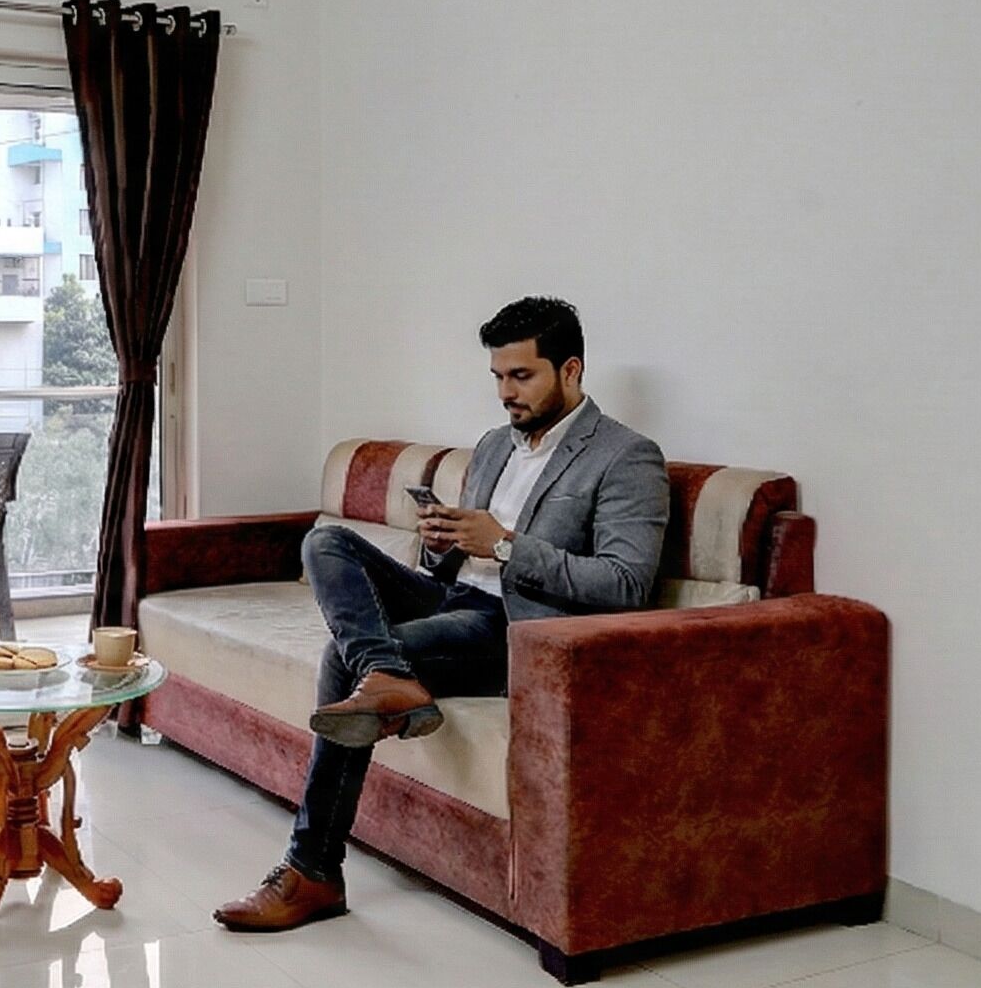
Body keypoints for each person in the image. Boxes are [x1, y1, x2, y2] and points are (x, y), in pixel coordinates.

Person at [215, 296, 669, 931]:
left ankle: (312, 869)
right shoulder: (493, 445)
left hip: (518, 628)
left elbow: (626, 584)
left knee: (339, 659)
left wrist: (504, 545)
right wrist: (441, 544)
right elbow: (455, 561)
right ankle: (386, 673)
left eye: (521, 376)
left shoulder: (626, 456)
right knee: (326, 542)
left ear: (571, 370)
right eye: (498, 377)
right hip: (455, 596)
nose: (505, 393)